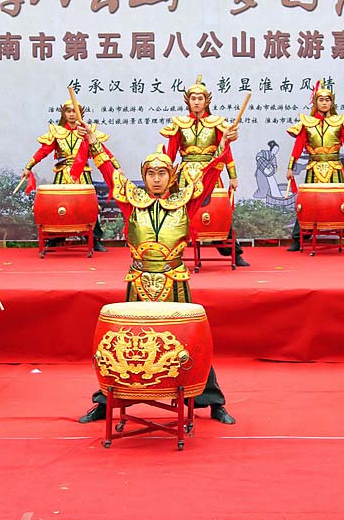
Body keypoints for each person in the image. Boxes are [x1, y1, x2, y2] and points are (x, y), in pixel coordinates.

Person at [75, 120, 238, 425]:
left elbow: (208, 175)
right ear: (144, 176)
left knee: (189, 340)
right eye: (151, 173)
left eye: (162, 173)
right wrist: (94, 141)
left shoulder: (185, 202)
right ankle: (107, 401)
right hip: (138, 281)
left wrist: (223, 145)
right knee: (126, 340)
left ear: (171, 176)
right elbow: (110, 171)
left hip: (174, 281)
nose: (156, 179)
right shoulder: (132, 202)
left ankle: (212, 401)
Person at [160, 76, 247, 266]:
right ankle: (173, 252)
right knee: (180, 213)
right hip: (185, 175)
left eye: (200, 98)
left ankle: (234, 252)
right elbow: (171, 154)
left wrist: (233, 176)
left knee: (217, 212)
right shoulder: (179, 124)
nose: (197, 102)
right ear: (188, 101)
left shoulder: (216, 123)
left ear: (206, 101)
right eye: (193, 98)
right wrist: (163, 172)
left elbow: (226, 151)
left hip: (210, 174)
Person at [22, 97, 110, 252]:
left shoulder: (87, 131)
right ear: (64, 113)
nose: (72, 114)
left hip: (83, 173)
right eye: (68, 111)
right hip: (63, 173)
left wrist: (116, 167)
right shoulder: (57, 132)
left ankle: (94, 239)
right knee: (58, 204)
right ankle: (54, 238)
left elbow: (102, 151)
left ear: (80, 113)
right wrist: (28, 167)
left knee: (88, 206)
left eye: (75, 111)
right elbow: (43, 151)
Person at [285, 81, 344, 251]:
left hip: (335, 167)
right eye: (321, 100)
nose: (324, 103)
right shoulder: (307, 123)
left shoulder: (339, 122)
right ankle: (299, 239)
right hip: (314, 167)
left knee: (341, 202)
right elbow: (298, 146)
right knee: (308, 203)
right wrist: (290, 167)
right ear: (315, 102)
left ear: (332, 102)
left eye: (327, 100)